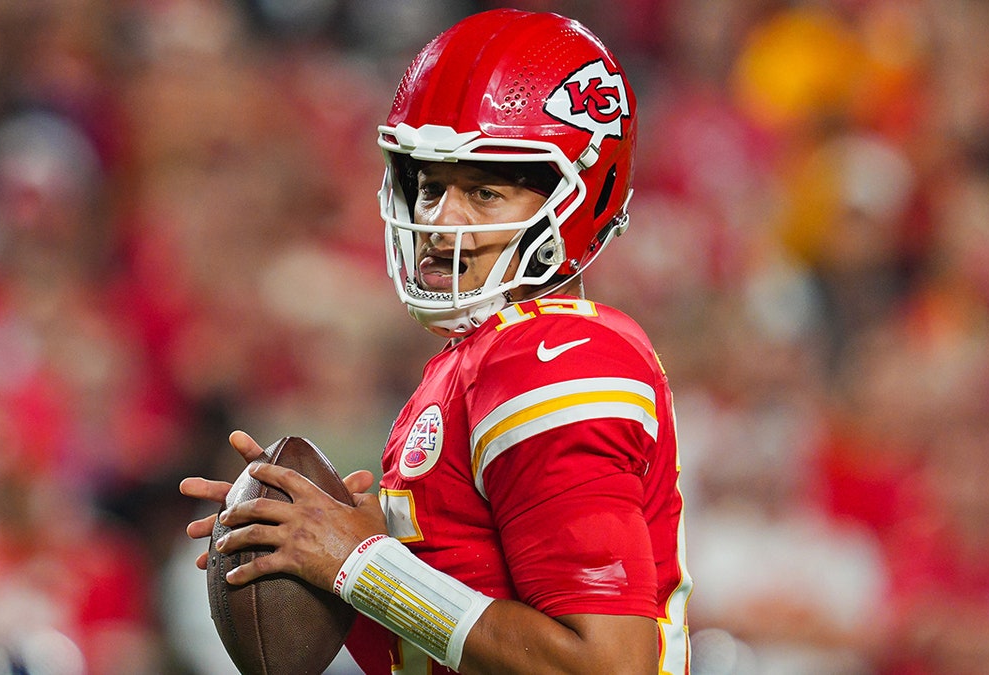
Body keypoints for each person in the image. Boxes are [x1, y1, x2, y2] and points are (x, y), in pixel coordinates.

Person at [180, 9, 691, 674]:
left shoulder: (551, 356)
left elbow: (605, 665)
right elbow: (456, 636)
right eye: (431, 186)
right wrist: (302, 543)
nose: (439, 218)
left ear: (579, 198)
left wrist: (362, 563)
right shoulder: (471, 362)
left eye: (483, 191)